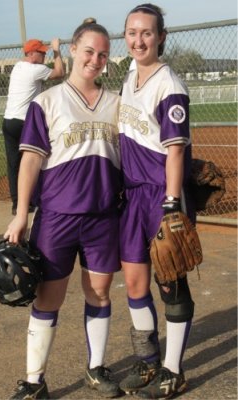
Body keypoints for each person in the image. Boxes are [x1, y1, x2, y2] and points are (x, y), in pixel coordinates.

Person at [3, 19, 122, 399]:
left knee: (99, 292)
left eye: (102, 54)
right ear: (73, 50)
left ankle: (96, 368)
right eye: (89, 51)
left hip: (103, 215)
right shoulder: (47, 101)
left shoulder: (117, 103)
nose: (95, 60)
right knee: (47, 297)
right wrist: (22, 213)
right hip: (57, 215)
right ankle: (35, 381)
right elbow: (30, 162)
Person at [118, 4, 196, 399]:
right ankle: (147, 361)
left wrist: (170, 205)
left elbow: (176, 151)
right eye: (132, 32)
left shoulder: (170, 84)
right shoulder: (129, 75)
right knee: (134, 282)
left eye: (147, 32)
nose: (138, 40)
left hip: (159, 194)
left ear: (161, 36)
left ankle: (173, 370)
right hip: (131, 195)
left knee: (171, 282)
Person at [2, 38, 65, 216]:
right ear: (30, 54)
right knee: (38, 159)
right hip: (24, 123)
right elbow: (60, 72)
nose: (44, 55)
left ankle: (18, 204)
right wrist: (56, 51)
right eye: (41, 52)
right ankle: (40, 197)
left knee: (14, 164)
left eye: (45, 52)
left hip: (8, 122)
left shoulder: (17, 66)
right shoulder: (35, 69)